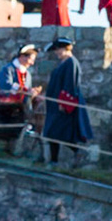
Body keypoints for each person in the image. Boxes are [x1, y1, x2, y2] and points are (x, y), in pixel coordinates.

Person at [40, 37, 94, 166]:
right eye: (57, 50)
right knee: (55, 132)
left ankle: (70, 154)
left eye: (59, 49)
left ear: (66, 48)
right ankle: (55, 160)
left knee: (57, 131)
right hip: (55, 104)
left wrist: (64, 103)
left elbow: (70, 85)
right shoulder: (64, 63)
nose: (57, 52)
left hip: (62, 104)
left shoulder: (71, 63)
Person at [0, 44, 40, 146]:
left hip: (21, 108)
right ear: (22, 57)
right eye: (30, 59)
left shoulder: (27, 74)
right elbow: (5, 85)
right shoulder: (8, 70)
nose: (32, 63)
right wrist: (23, 89)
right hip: (6, 108)